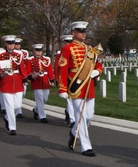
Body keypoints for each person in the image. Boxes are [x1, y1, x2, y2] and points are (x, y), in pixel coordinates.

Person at [58, 21, 103, 157]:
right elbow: (62, 69)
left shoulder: (90, 49)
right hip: (75, 86)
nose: (83, 33)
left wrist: (98, 71)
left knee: (89, 116)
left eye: (84, 31)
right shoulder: (67, 49)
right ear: (73, 33)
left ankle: (73, 133)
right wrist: (62, 88)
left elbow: (98, 64)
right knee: (81, 117)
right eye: (80, 31)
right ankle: (86, 146)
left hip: (89, 86)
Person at [0, 35, 28, 135]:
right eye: (9, 43)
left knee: (17, 105)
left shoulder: (19, 55)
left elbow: (22, 68)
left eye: (13, 43)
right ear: (5, 44)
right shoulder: (0, 55)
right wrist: (0, 74)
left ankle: (7, 117)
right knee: (9, 106)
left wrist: (24, 78)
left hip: (17, 81)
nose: (11, 45)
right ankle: (12, 127)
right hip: (5, 82)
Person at [27, 43, 54, 123]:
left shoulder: (46, 59)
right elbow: (28, 71)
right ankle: (42, 116)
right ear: (34, 51)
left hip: (45, 81)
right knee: (39, 99)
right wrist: (32, 76)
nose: (39, 52)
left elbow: (49, 70)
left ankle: (36, 110)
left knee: (45, 98)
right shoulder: (30, 60)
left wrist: (51, 79)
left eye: (40, 50)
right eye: (37, 50)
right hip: (36, 81)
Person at [55, 34, 75, 127]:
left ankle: (68, 112)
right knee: (70, 100)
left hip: (76, 79)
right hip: (66, 79)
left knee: (76, 100)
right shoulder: (60, 54)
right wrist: (58, 80)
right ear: (64, 43)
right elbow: (57, 68)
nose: (69, 44)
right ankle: (72, 120)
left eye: (70, 42)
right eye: (67, 42)